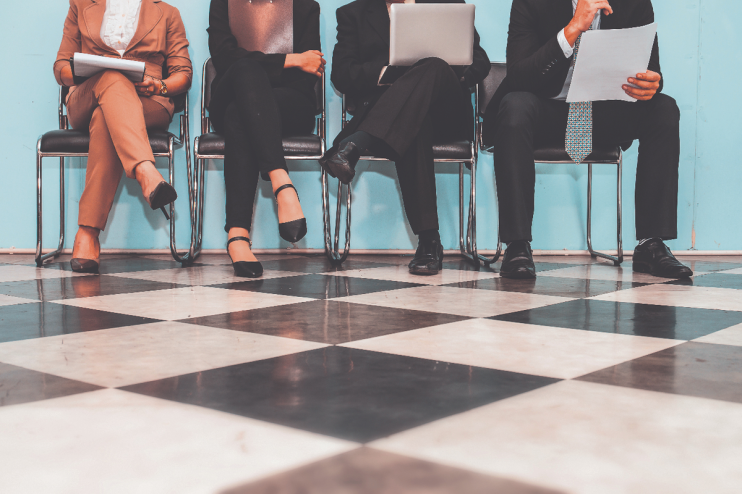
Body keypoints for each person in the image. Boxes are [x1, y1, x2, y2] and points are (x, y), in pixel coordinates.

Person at [482, 0, 692, 279]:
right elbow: (519, 76)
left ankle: (651, 245)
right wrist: (571, 30)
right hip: (548, 109)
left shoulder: (635, 3)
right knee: (515, 107)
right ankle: (517, 245)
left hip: (603, 112)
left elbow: (651, 70)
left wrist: (651, 83)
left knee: (664, 109)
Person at [320, 0, 490, 276]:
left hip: (446, 112)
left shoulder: (446, 5)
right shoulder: (353, 13)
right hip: (396, 117)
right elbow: (342, 74)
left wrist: (439, 72)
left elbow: (480, 61)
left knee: (433, 66)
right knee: (414, 123)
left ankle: (357, 142)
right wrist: (391, 72)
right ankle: (429, 241)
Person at [54, 0, 193, 273]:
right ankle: (145, 170)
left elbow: (183, 74)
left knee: (105, 117)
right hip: (88, 93)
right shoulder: (81, 5)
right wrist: (91, 70)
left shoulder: (168, 13)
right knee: (112, 77)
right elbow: (61, 67)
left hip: (148, 100)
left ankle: (87, 233)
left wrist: (159, 85)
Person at [207, 0, 324, 278]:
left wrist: (266, 69)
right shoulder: (223, 2)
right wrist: (292, 59)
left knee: (240, 113)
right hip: (230, 91)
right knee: (245, 70)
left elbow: (310, 70)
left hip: (289, 103)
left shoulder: (306, 6)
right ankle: (282, 184)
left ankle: (237, 236)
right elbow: (224, 58)